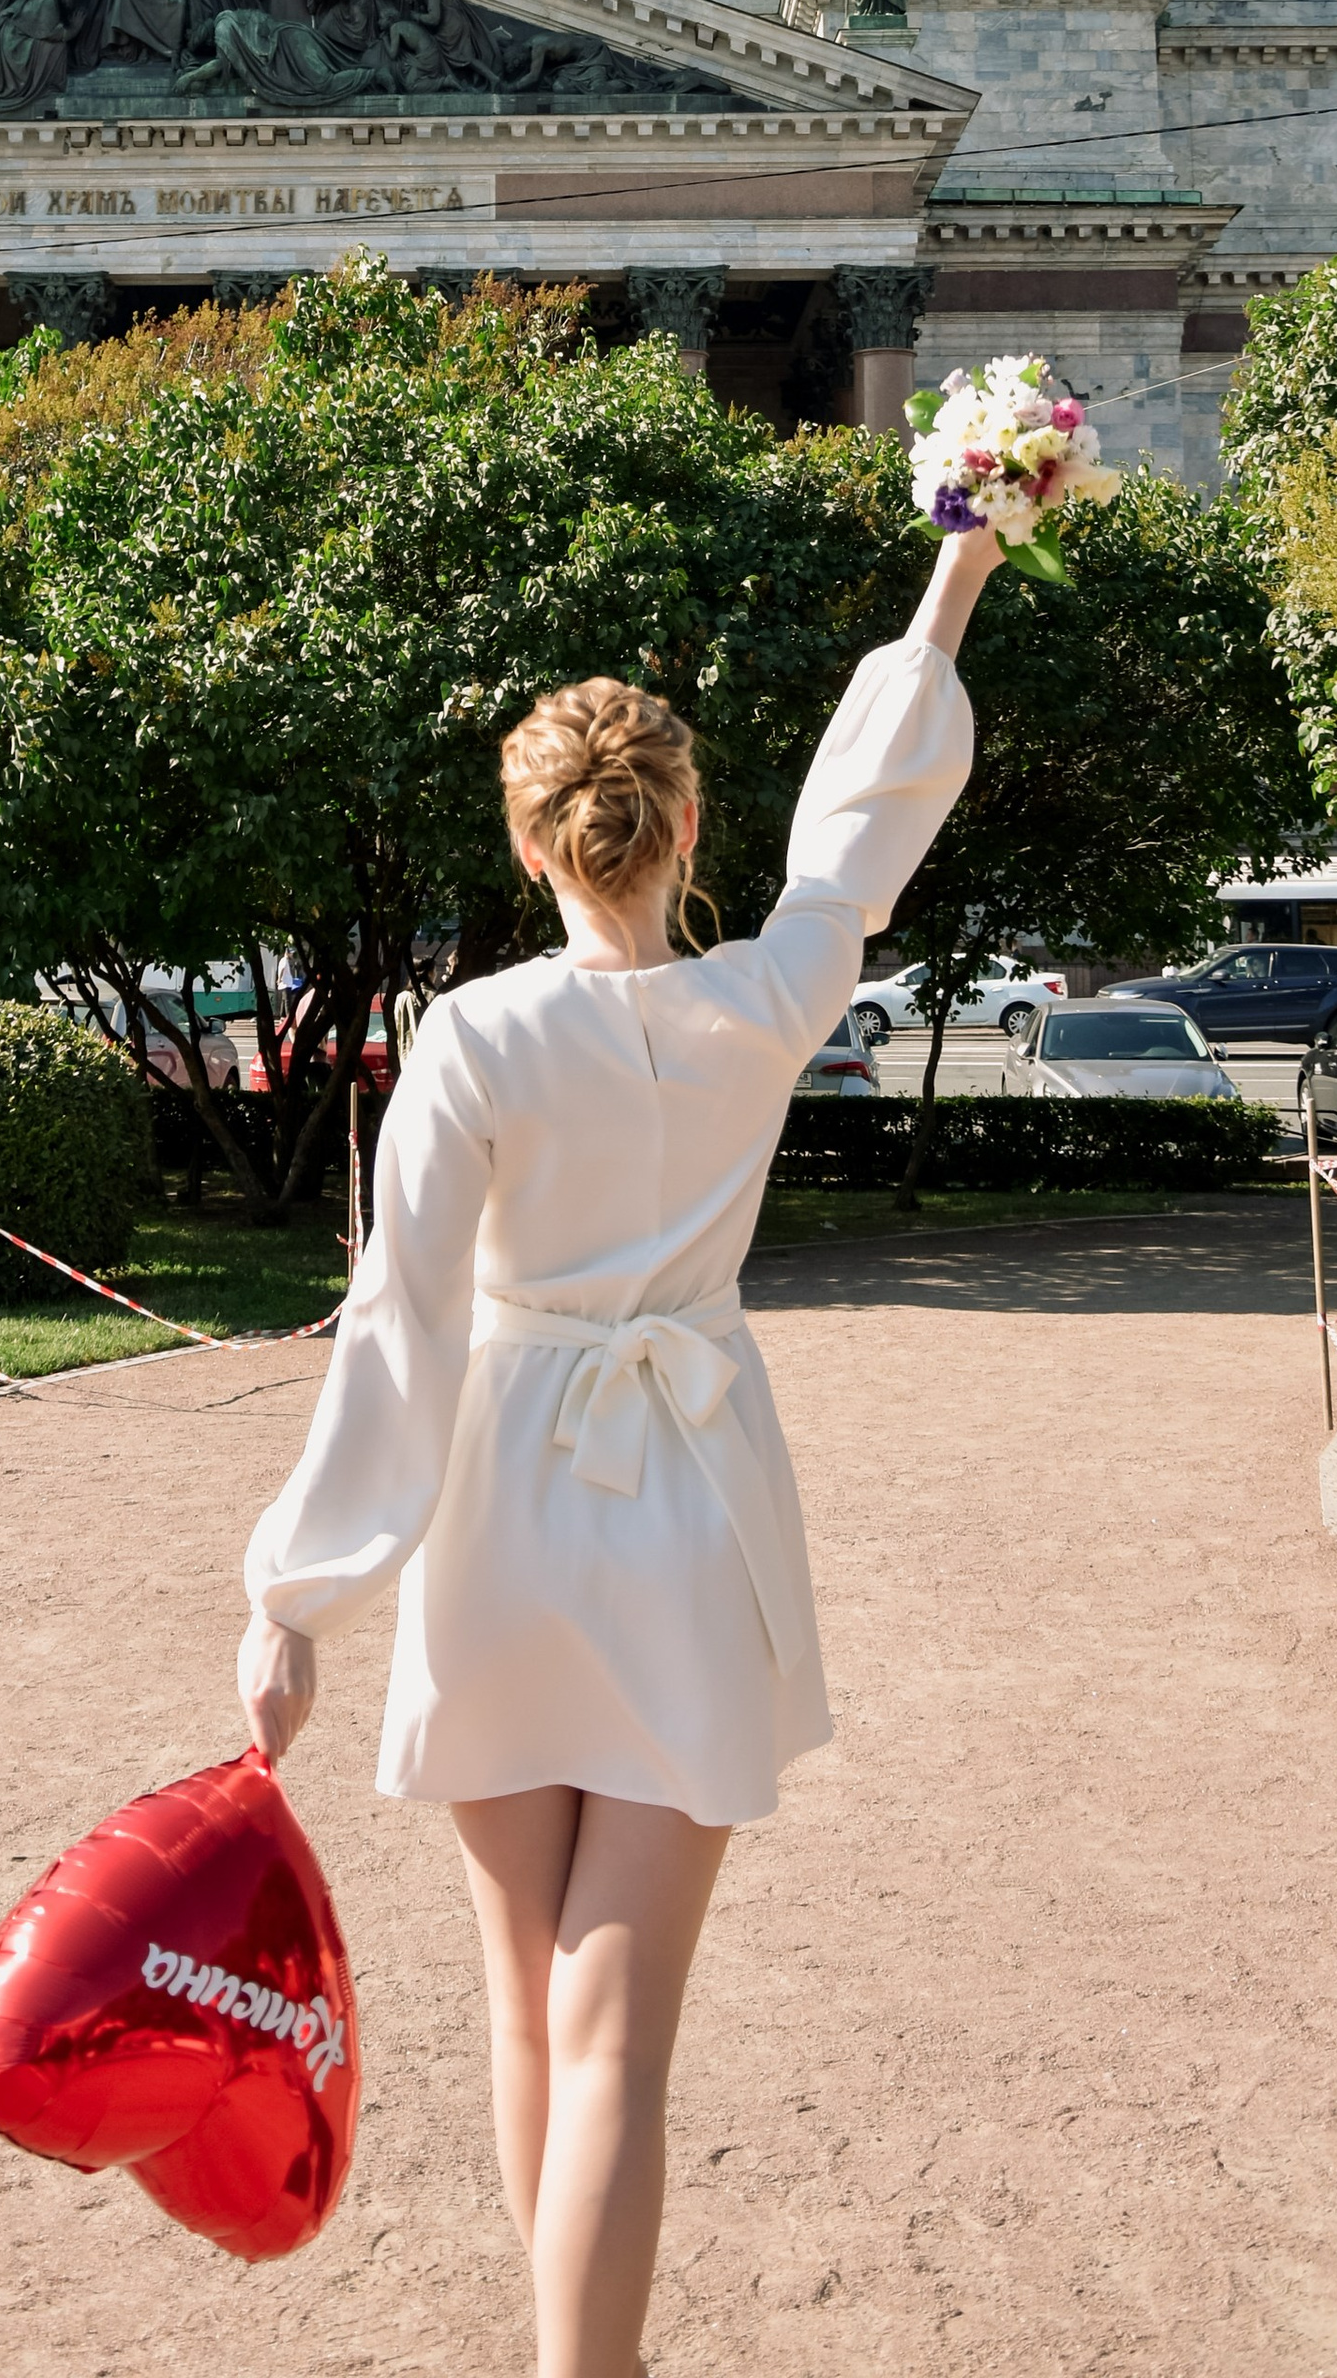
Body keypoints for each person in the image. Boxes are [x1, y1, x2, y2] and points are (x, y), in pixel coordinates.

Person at [237, 520, 999, 2378]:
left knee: (526, 2014)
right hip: (683, 1508)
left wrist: (296, 1600)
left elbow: (401, 1333)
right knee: (619, 2037)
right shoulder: (763, 999)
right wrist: (957, 571)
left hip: (505, 1512)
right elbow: (861, 836)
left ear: (535, 841)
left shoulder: (474, 1036)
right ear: (679, 834)